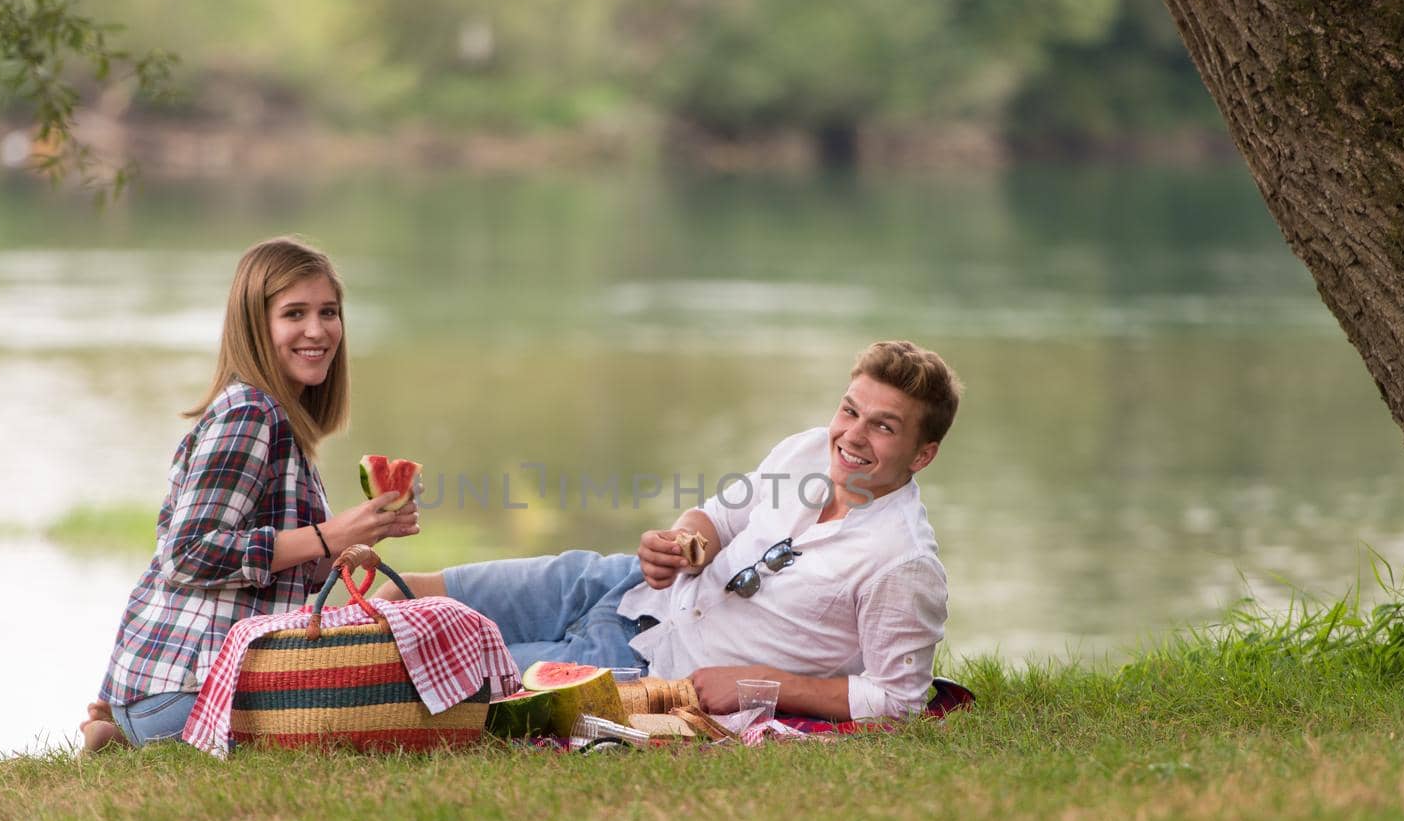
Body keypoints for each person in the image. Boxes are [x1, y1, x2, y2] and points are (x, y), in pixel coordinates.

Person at [383, 340, 960, 722]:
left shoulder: (903, 564)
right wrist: (682, 542)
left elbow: (897, 700)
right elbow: (719, 517)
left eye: (882, 427)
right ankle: (299, 647)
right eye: (850, 410)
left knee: (417, 680)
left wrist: (761, 685)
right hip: (616, 583)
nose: (852, 436)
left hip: (644, 671)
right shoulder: (808, 448)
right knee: (403, 592)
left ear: (923, 454)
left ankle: (303, 693)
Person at [79, 237, 420, 751]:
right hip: (195, 690)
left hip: (176, 687)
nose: (317, 330)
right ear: (255, 327)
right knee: (399, 699)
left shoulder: (279, 420)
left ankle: (123, 729)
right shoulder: (249, 414)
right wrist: (331, 534)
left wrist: (361, 534)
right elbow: (188, 554)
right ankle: (139, 727)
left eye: (329, 312)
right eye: (294, 313)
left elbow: (270, 572)